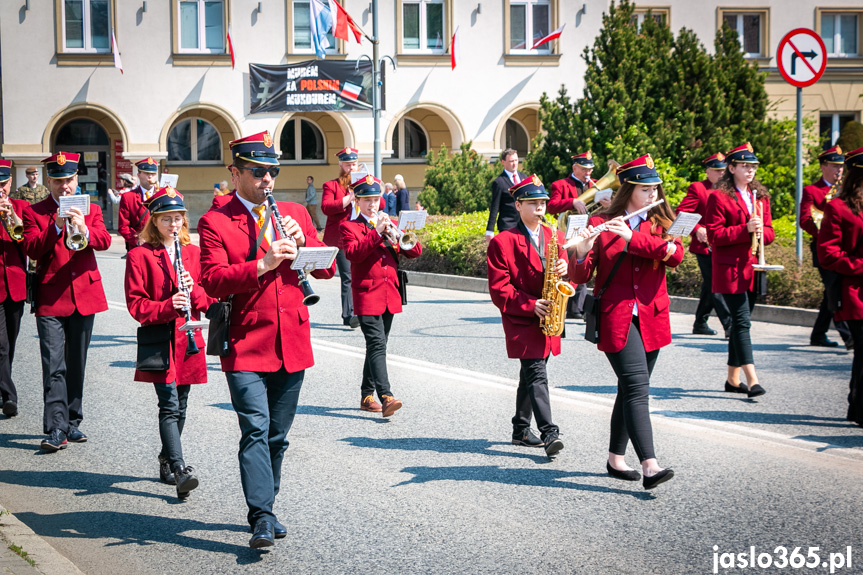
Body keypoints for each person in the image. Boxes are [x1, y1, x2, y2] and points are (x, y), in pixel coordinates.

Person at [199, 131, 336, 548]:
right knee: (255, 429)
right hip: (245, 341)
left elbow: (326, 269)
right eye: (258, 172)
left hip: (291, 339)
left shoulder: (293, 210)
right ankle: (260, 514)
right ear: (235, 172)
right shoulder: (215, 220)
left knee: (278, 434)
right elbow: (212, 280)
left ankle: (268, 506)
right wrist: (263, 263)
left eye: (272, 171)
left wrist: (304, 241)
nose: (267, 180)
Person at [570, 154, 681, 490]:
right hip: (617, 316)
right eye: (645, 189)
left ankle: (615, 458)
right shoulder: (602, 220)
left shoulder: (661, 221)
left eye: (654, 188)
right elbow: (581, 275)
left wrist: (635, 240)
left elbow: (675, 256)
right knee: (636, 387)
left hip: (652, 315)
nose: (652, 194)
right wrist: (581, 250)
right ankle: (650, 465)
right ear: (629, 188)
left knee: (628, 388)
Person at [125, 187, 214, 499]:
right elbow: (136, 306)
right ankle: (179, 469)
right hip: (160, 339)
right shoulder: (139, 255)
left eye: (178, 219)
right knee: (169, 404)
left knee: (183, 403)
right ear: (154, 221)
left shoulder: (192, 253)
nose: (174, 225)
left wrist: (192, 290)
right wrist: (168, 304)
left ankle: (165, 459)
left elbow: (206, 297)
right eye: (167, 220)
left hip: (188, 337)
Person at [22, 152, 111, 452]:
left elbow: (105, 240)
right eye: (58, 181)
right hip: (51, 297)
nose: (65, 187)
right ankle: (56, 427)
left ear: (76, 179)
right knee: (54, 365)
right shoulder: (35, 212)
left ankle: (73, 421)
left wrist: (83, 227)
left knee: (77, 364)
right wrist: (57, 226)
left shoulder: (92, 209)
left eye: (69, 181)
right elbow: (32, 249)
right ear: (49, 181)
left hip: (84, 295)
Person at [487, 175, 568, 459]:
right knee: (536, 373)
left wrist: (563, 266)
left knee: (530, 375)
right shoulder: (502, 241)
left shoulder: (555, 235)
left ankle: (521, 429)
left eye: (543, 202)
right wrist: (531, 305)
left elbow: (565, 267)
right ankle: (549, 432)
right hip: (523, 316)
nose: (540, 207)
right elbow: (500, 289)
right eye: (533, 203)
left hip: (550, 316)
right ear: (518, 205)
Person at [341, 175, 422, 417]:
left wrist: (399, 235)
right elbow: (354, 255)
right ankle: (386, 396)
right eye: (367, 200)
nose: (372, 204)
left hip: (390, 294)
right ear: (357, 200)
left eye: (375, 199)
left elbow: (414, 252)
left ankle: (366, 396)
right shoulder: (350, 227)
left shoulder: (390, 223)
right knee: (376, 344)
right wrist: (376, 233)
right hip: (366, 295)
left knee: (377, 345)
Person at [704, 143, 773, 398]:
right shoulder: (718, 196)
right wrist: (744, 230)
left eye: (753, 166)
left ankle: (733, 379)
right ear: (731, 168)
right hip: (730, 269)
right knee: (742, 322)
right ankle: (752, 379)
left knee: (739, 322)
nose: (750, 170)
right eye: (745, 166)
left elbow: (770, 232)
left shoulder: (760, 196)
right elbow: (715, 235)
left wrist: (759, 231)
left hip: (752, 268)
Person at [818, 146, 863, 428]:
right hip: (855, 292)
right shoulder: (837, 207)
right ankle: (858, 407)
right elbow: (828, 254)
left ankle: (855, 405)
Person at [801, 146, 852, 349]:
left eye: (841, 166)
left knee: (829, 293)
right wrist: (825, 234)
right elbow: (805, 219)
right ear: (823, 167)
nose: (839, 170)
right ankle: (849, 336)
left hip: (846, 249)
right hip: (824, 248)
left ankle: (818, 334)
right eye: (834, 166)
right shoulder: (812, 191)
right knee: (834, 288)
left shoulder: (847, 189)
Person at [677, 153, 732, 337]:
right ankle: (730, 326)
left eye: (723, 170)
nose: (721, 173)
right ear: (707, 171)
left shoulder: (730, 189)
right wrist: (697, 229)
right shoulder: (698, 188)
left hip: (724, 243)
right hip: (705, 246)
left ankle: (700, 322)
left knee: (710, 286)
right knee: (716, 285)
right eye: (717, 170)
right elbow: (682, 212)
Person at [547, 151, 604, 320]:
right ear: (574, 168)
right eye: (585, 169)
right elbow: (551, 206)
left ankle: (576, 308)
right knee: (571, 268)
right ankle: (569, 306)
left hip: (588, 232)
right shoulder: (561, 184)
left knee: (585, 266)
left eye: (590, 169)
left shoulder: (595, 185)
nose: (589, 173)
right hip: (569, 232)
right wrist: (572, 202)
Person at [321, 148, 361, 329]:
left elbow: (381, 203)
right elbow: (326, 207)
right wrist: (349, 198)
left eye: (353, 164)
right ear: (340, 165)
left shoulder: (362, 183)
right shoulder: (332, 185)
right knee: (348, 276)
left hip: (359, 235)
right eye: (347, 165)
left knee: (354, 276)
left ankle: (355, 312)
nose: (351, 168)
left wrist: (369, 188)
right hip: (339, 238)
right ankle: (349, 314)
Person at [0, 159, 27, 418]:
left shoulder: (21, 206)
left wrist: (13, 218)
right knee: (1, 345)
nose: (1, 190)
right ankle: (9, 396)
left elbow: (27, 241)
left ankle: (2, 384)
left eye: (4, 184)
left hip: (16, 284)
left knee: (12, 341)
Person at [119, 158, 159, 254]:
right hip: (139, 246)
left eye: (153, 174)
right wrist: (137, 239)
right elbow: (123, 226)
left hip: (160, 244)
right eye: (146, 173)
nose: (150, 177)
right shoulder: (128, 197)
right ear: (138, 175)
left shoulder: (162, 194)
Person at [486, 148, 527, 241]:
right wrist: (489, 230)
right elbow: (494, 207)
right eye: (511, 161)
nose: (514, 163)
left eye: (516, 160)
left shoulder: (524, 177)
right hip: (507, 225)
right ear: (503, 162)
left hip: (524, 224)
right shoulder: (499, 182)